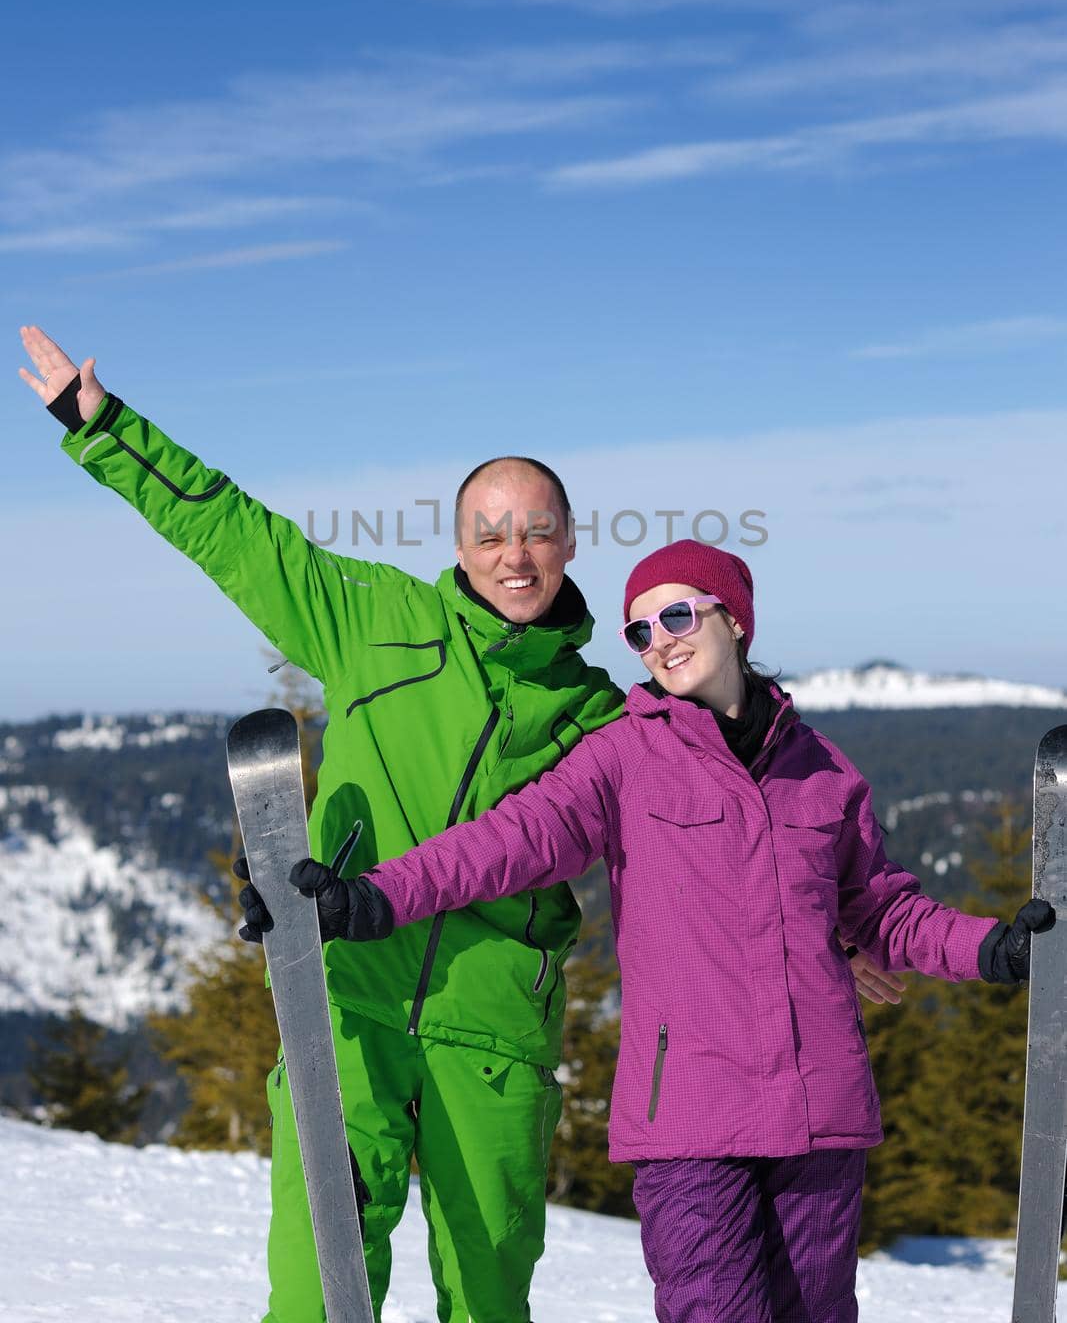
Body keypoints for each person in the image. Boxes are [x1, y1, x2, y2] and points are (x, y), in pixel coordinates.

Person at [18, 327, 902, 1323]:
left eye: (533, 531)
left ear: (567, 542)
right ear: (457, 545)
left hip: (494, 1037)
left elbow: (733, 823)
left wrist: (832, 923)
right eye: (488, 532)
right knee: (316, 1294)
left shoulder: (604, 716)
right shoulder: (366, 617)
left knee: (487, 1304)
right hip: (343, 1008)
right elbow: (230, 529)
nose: (511, 554)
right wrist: (102, 426)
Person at [277, 539, 1054, 1323]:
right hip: (687, 1116)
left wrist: (994, 949)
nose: (660, 642)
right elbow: (502, 843)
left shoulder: (823, 771)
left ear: (734, 621)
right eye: (639, 632)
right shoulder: (620, 757)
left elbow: (883, 911)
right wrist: (368, 900)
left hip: (819, 1117)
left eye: (676, 615)